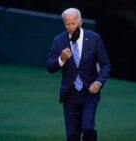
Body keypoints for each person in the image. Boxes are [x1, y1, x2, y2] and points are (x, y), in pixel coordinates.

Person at [47, 8, 111, 141]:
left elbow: (105, 65)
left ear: (80, 21)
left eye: (73, 23)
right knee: (72, 136)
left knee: (87, 128)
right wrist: (62, 59)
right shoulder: (59, 40)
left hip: (89, 92)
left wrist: (98, 83)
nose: (70, 27)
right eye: (67, 24)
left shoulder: (94, 38)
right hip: (69, 95)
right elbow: (50, 67)